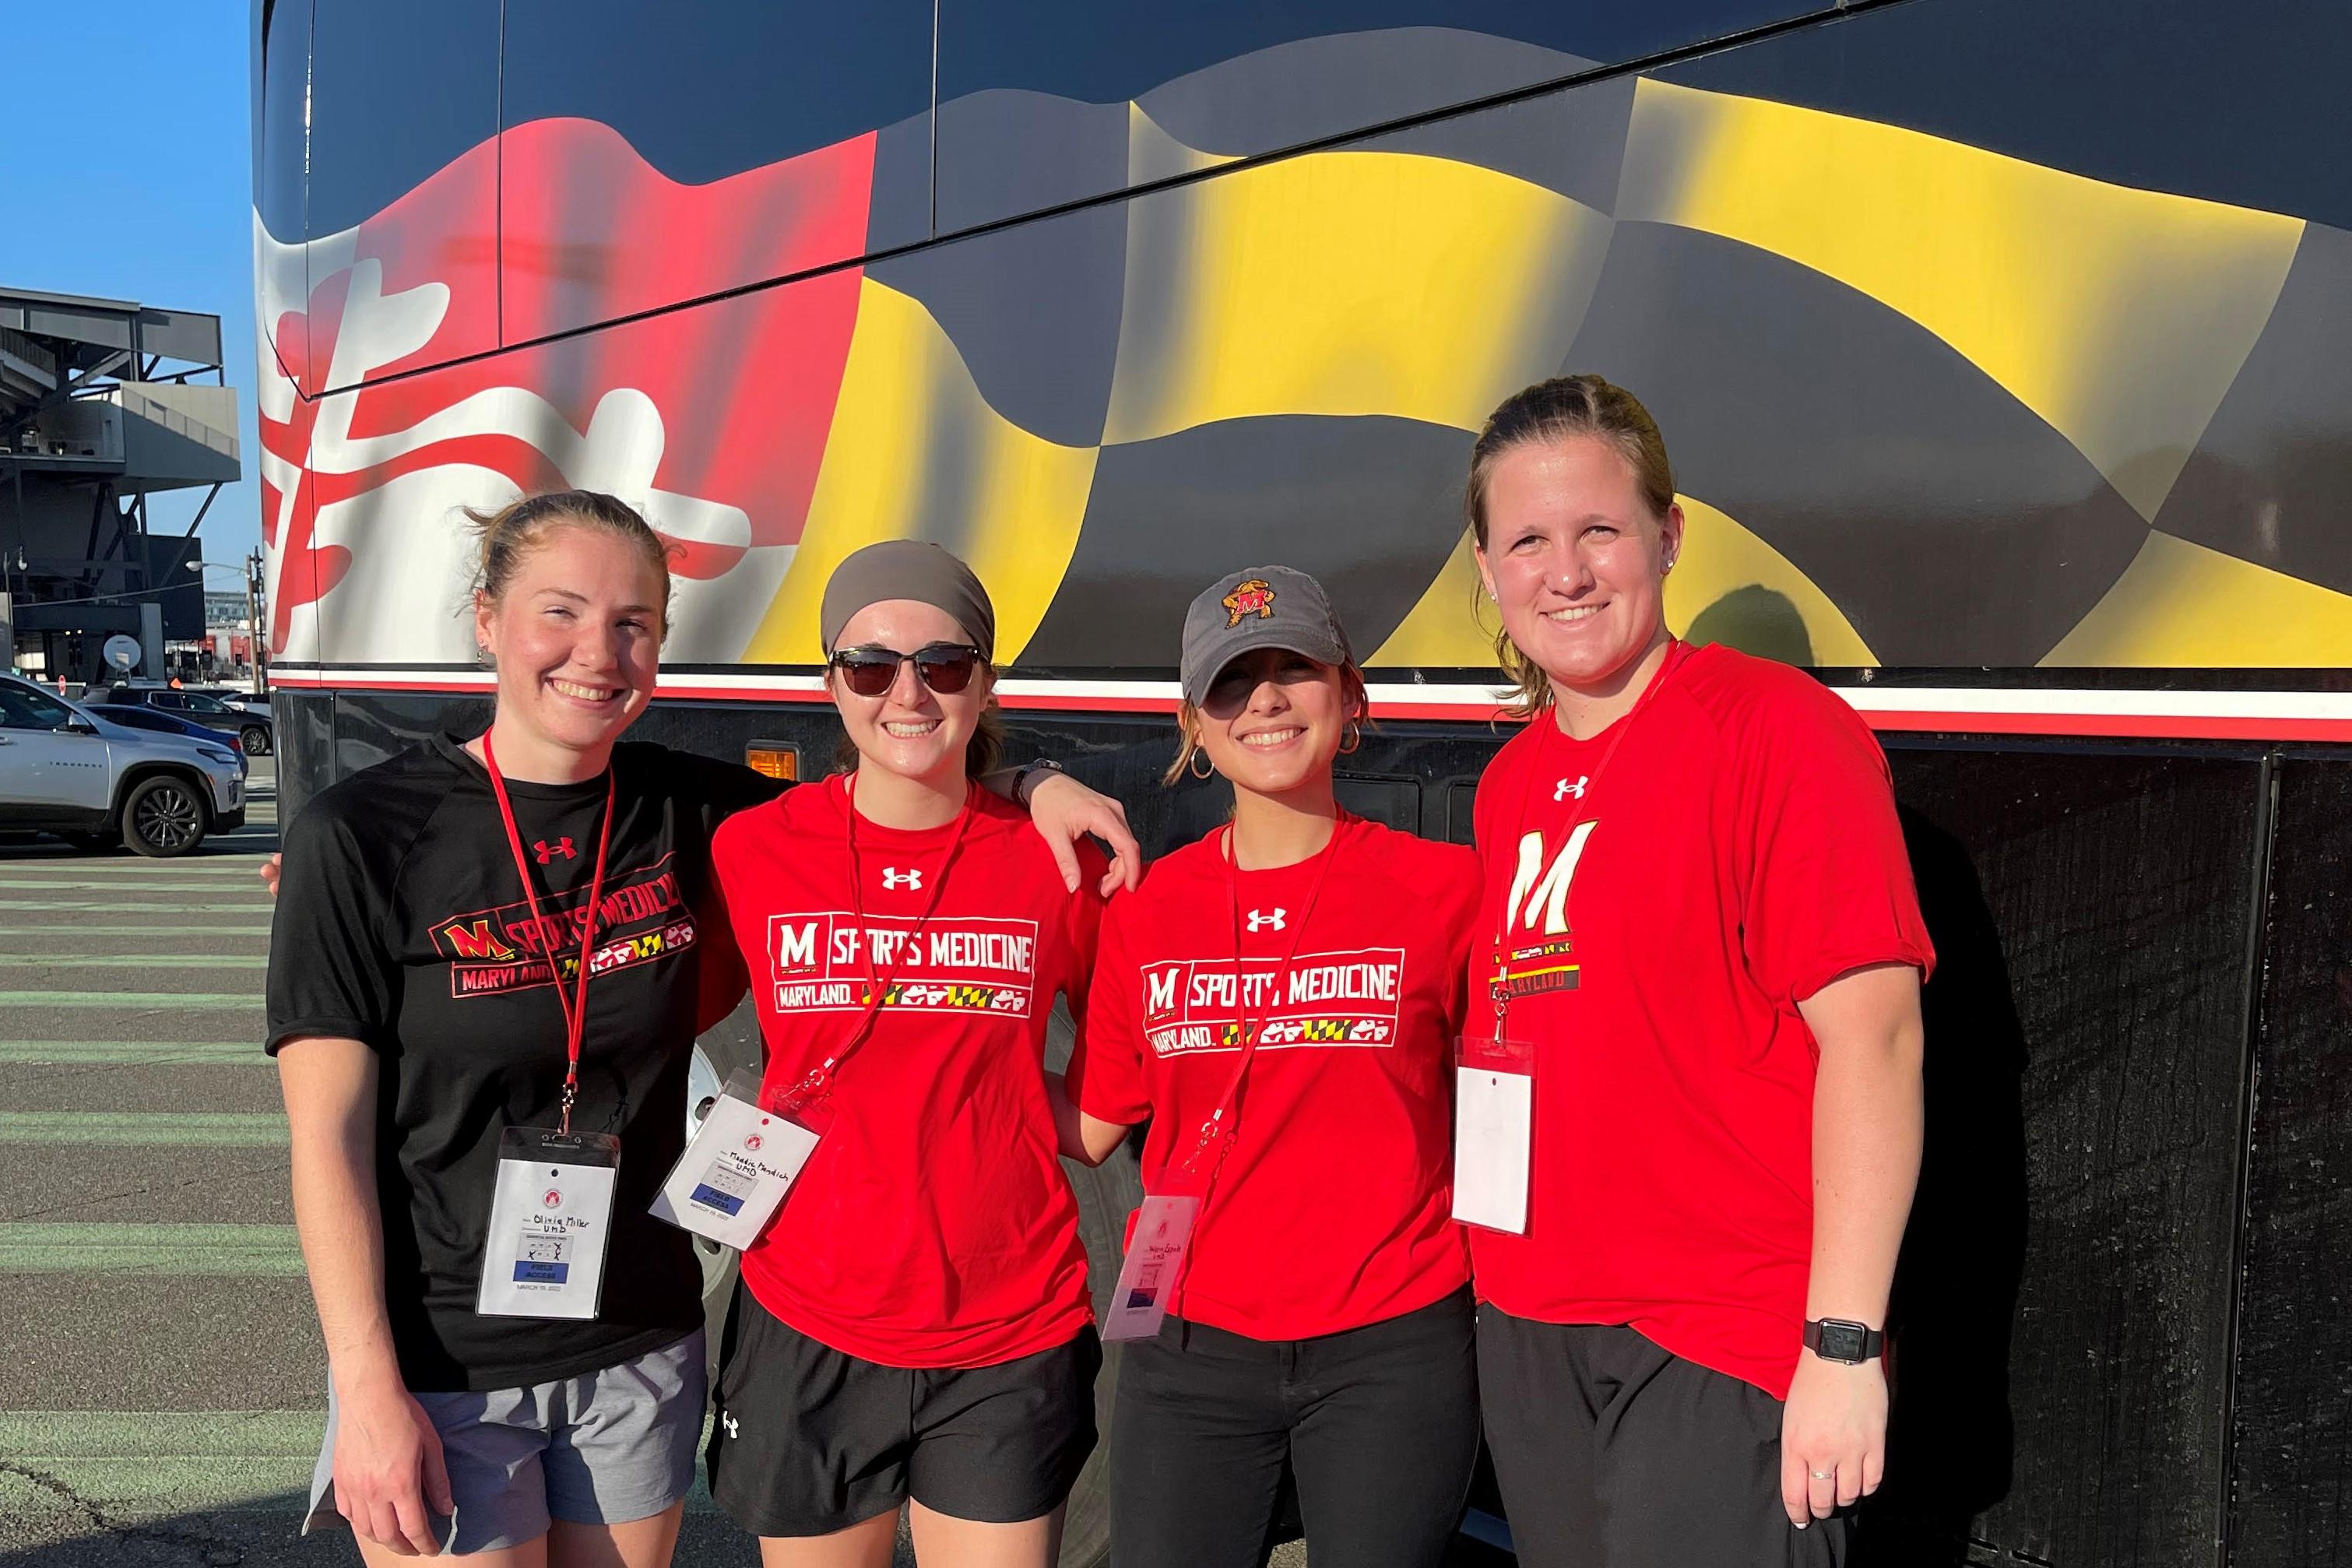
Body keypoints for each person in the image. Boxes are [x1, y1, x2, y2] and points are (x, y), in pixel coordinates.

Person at [265, 492, 1137, 1567]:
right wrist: (362, 1386)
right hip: (446, 1349)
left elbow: (899, 778)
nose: (598, 652)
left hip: (642, 1333)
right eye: (562, 613)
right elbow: (325, 1140)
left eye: (632, 622)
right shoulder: (358, 836)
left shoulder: (695, 811)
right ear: (487, 619)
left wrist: (1031, 778)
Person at [1461, 375, 1934, 1565]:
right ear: (1485, 567)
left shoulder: (1774, 730)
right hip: (1532, 1324)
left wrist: (1840, 1344)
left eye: (1597, 530)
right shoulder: (1509, 783)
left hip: (1719, 1332)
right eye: (1527, 540)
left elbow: (1874, 1041)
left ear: (1667, 536)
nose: (1564, 571)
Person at [1060, 566, 1483, 1568]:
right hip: (1191, 1343)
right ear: (1194, 725)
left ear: (1351, 697)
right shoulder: (1151, 912)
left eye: (1294, 667)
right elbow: (1092, 1123)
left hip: (1394, 1342)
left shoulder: (1448, 890)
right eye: (1231, 681)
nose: (1265, 698)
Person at [701, 540, 1109, 1568]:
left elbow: (1124, 1063)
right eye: (872, 666)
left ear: (985, 681)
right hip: (806, 1317)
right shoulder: (751, 849)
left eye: (945, 663)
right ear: (830, 682)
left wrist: (1044, 1116)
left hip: (1008, 1330)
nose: (909, 692)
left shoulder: (1056, 859)